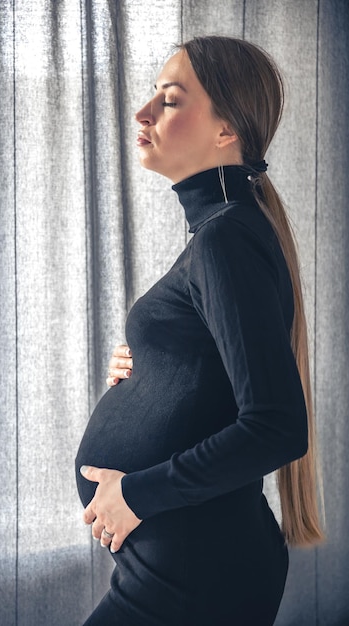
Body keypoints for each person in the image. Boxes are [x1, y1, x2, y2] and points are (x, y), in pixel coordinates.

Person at [75, 35, 324, 625]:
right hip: (186, 566)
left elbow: (276, 427)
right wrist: (152, 372)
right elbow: (218, 381)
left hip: (195, 575)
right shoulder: (222, 231)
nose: (142, 113)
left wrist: (137, 494)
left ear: (225, 131)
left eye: (169, 99)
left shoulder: (225, 237)